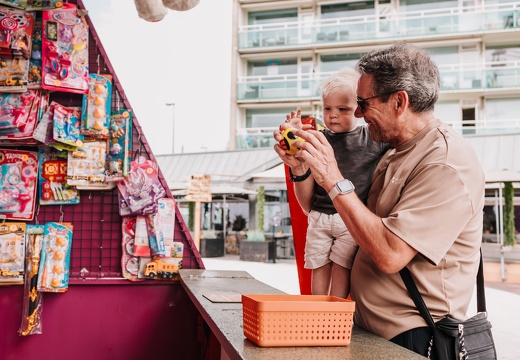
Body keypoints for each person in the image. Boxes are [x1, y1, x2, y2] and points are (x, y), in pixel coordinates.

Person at [273, 43, 485, 358]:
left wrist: (333, 177)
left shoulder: (445, 161)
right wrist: (301, 170)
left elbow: (390, 254)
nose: (357, 113)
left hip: (410, 338)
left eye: (362, 103)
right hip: (370, 329)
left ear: (399, 101)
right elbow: (317, 208)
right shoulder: (394, 149)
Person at [280, 69, 388, 299]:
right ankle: (316, 309)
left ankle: (335, 310)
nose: (333, 115)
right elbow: (296, 147)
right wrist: (294, 131)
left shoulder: (371, 137)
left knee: (342, 267)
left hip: (350, 216)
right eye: (328, 108)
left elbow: (397, 142)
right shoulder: (320, 137)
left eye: (342, 109)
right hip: (319, 214)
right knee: (318, 265)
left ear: (359, 110)